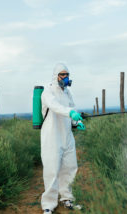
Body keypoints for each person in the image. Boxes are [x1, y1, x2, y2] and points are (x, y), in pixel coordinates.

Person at [40, 63, 85, 214]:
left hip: (67, 136)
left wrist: (77, 121)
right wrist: (70, 113)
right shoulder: (48, 91)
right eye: (62, 74)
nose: (65, 78)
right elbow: (55, 107)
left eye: (67, 75)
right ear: (56, 75)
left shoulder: (67, 93)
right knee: (52, 170)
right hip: (52, 136)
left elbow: (72, 109)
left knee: (70, 167)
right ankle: (48, 205)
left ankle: (67, 199)